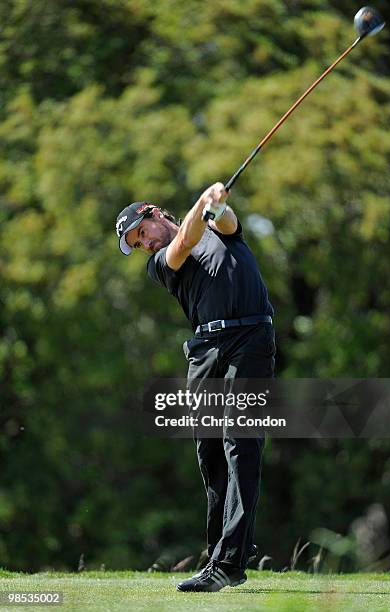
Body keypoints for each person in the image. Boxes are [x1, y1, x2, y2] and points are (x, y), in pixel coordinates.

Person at [115, 182, 275, 592]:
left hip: (250, 339)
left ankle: (228, 562)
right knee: (209, 448)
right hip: (205, 349)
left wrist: (216, 204)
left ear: (153, 214)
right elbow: (184, 239)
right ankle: (220, 552)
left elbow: (227, 222)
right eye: (137, 243)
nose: (145, 245)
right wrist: (202, 202)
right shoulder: (162, 264)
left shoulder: (217, 227)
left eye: (142, 234)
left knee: (241, 440)